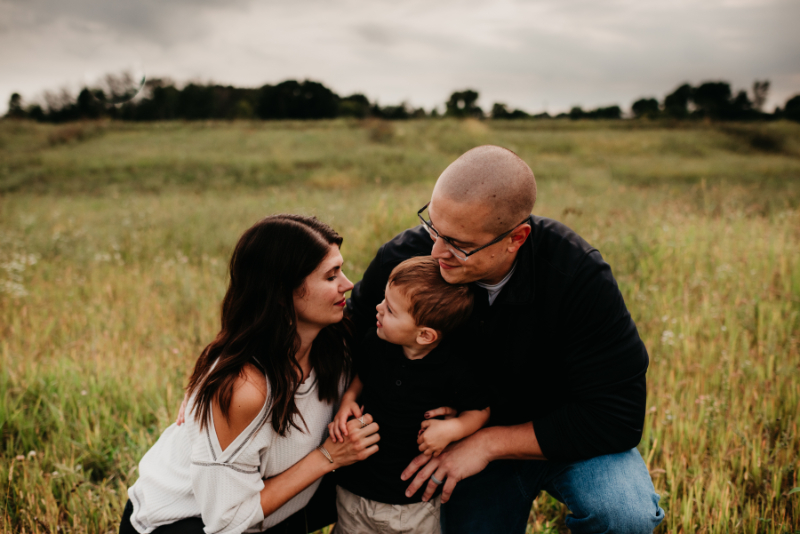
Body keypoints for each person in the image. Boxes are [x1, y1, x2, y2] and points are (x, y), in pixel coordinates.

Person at [347, 146, 666, 533]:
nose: (435, 252)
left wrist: (486, 444)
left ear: (517, 238)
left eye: (459, 244)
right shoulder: (409, 258)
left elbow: (618, 416)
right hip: (461, 436)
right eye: (433, 227)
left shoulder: (577, 275)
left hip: (568, 437)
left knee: (623, 516)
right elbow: (349, 334)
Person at [120, 214, 380, 534]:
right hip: (185, 523)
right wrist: (328, 456)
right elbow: (225, 519)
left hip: (273, 512)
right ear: (283, 292)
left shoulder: (334, 341)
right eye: (331, 276)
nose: (348, 284)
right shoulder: (245, 389)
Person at [328, 256, 490, 533]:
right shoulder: (375, 343)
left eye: (390, 310)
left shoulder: (454, 368)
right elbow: (360, 378)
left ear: (425, 335)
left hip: (411, 504)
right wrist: (347, 401)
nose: (378, 309)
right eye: (383, 300)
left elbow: (479, 411)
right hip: (355, 489)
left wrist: (452, 429)